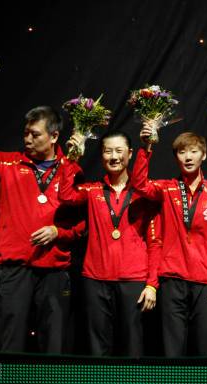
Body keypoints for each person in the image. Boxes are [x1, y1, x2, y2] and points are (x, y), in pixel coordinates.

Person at [0, 83, 85, 353]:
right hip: (14, 268)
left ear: (54, 136)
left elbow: (82, 225)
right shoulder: (8, 164)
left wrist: (58, 232)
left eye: (35, 135)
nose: (27, 139)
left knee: (54, 346)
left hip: (54, 270)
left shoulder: (71, 169)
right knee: (11, 343)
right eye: (25, 133)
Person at [132, 123, 207, 357]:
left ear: (204, 155)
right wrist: (146, 148)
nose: (188, 157)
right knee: (172, 351)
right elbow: (139, 185)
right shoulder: (166, 189)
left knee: (206, 351)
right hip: (172, 279)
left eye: (193, 151)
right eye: (181, 152)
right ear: (176, 156)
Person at [58, 130, 160, 357]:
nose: (113, 156)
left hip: (133, 279)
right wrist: (71, 159)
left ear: (130, 154)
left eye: (119, 151)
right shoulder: (93, 191)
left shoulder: (143, 194)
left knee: (132, 345)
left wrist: (152, 283)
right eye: (107, 151)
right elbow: (65, 196)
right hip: (95, 278)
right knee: (97, 346)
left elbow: (154, 243)